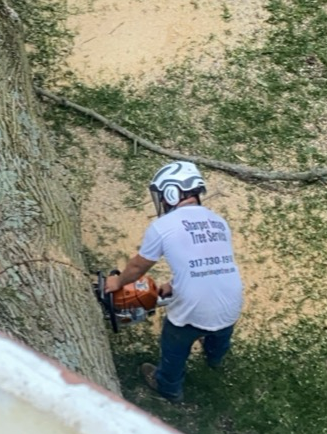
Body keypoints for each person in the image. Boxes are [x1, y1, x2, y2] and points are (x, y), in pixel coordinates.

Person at [104, 161, 244, 405]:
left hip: (193, 309)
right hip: (231, 302)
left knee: (174, 341)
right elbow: (206, 263)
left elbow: (138, 266)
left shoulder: (162, 226)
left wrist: (117, 281)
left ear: (171, 192)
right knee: (220, 330)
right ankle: (214, 357)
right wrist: (173, 284)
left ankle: (168, 385)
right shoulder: (219, 221)